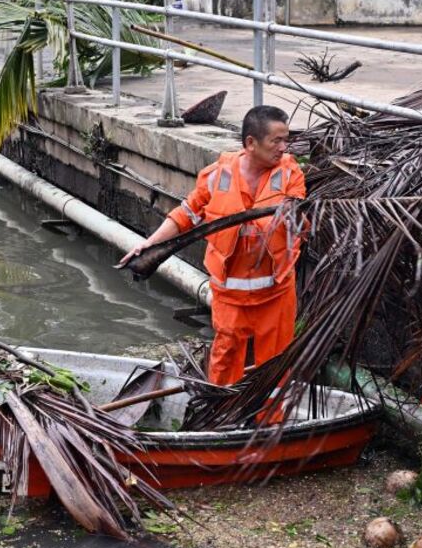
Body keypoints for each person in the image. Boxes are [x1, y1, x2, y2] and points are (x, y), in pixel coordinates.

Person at [119, 106, 306, 386]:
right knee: (225, 360)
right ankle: (220, 414)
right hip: (230, 294)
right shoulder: (217, 176)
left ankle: (271, 423)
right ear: (251, 143)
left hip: (275, 293)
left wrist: (294, 214)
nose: (284, 147)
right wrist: (149, 244)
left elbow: (297, 209)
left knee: (276, 367)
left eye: (285, 140)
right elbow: (185, 214)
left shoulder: (290, 174)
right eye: (276, 141)